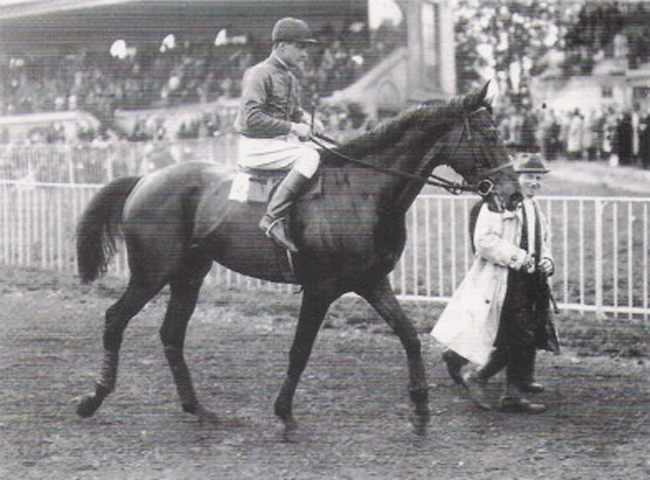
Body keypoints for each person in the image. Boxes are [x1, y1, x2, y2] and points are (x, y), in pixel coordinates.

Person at [432, 153, 559, 413]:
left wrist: (547, 260)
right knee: (516, 334)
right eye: (528, 177)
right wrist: (519, 257)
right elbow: (485, 241)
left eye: (538, 178)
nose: (534, 183)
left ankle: (504, 376)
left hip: (530, 280)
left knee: (525, 329)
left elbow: (543, 240)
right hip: (504, 279)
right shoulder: (498, 204)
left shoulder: (534, 206)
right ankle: (486, 380)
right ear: (515, 177)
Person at [234, 17, 323, 253]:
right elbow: (251, 118)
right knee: (310, 157)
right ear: (281, 46)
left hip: (279, 145)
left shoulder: (289, 77)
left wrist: (305, 119)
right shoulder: (258, 73)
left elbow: (290, 111)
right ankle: (273, 217)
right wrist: (294, 128)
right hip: (257, 146)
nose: (305, 54)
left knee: (328, 153)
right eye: (300, 46)